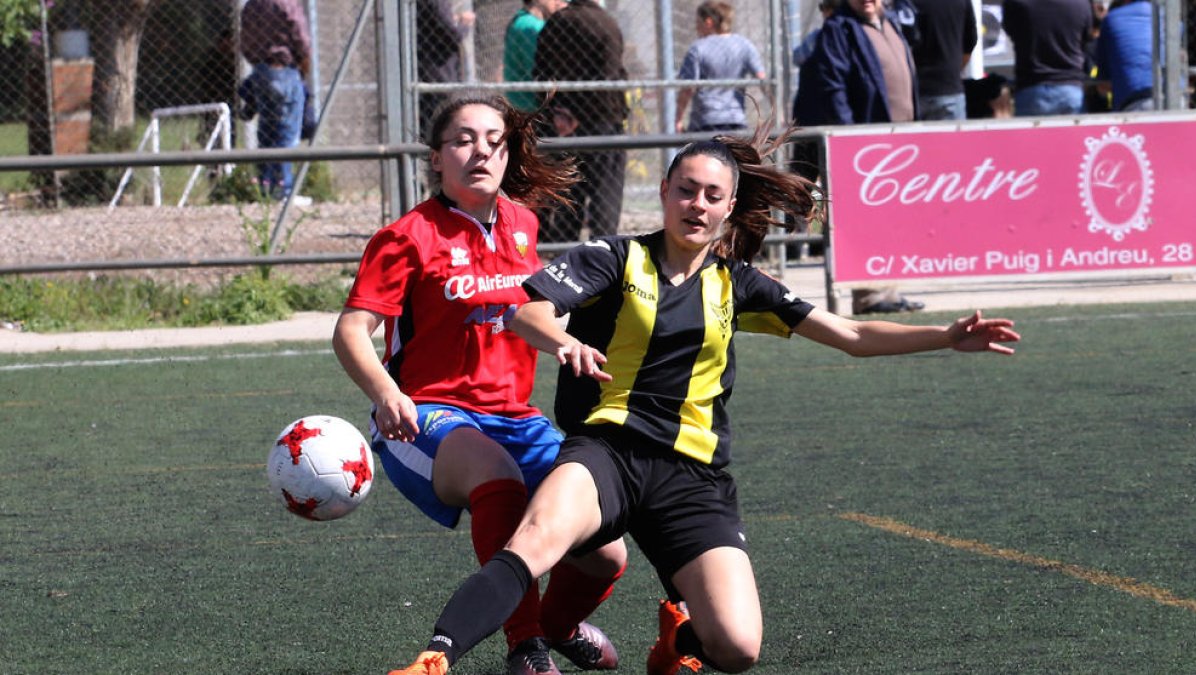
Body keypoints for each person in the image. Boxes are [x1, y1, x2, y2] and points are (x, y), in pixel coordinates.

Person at [387, 127, 1021, 675]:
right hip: (606, 451)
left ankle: (678, 641)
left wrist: (945, 336)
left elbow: (851, 335)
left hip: (691, 477)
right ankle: (436, 656)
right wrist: (563, 344)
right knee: (534, 540)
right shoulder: (613, 258)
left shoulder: (740, 284)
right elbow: (529, 312)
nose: (697, 204)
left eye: (712, 196)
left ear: (729, 208)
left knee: (739, 646)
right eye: (686, 190)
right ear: (663, 194)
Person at [332, 94, 626, 675]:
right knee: (500, 479)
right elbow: (350, 330)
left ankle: (557, 627)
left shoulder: (523, 224)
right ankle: (526, 649)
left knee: (605, 550)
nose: (480, 152)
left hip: (516, 415)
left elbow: (531, 314)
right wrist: (386, 395)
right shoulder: (408, 235)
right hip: (426, 417)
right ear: (437, 158)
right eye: (463, 140)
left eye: (494, 140)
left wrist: (564, 341)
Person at [793, 0, 924, 314]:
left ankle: (890, 291)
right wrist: (850, 136)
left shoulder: (890, 23)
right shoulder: (839, 29)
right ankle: (869, 295)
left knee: (893, 220)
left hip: (899, 143)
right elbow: (832, 86)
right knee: (870, 220)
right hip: (866, 147)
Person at [532, 0, 629, 243]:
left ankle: (567, 255)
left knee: (569, 191)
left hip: (563, 125)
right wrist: (582, 115)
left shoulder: (555, 23)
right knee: (605, 194)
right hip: (602, 123)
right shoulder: (606, 24)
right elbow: (608, 80)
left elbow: (540, 74)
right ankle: (603, 253)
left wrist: (561, 112)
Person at [238, 0, 311, 204]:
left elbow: (245, 40)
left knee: (267, 132)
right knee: (286, 133)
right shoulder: (286, 3)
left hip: (261, 70)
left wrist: (256, 60)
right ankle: (284, 190)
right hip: (285, 68)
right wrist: (304, 56)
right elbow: (299, 32)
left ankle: (266, 187)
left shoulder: (252, 5)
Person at [674, 1, 766, 134]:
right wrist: (777, 111)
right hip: (736, 121)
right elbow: (762, 78)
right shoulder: (744, 45)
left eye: (698, 22)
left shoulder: (698, 48)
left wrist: (678, 119)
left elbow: (687, 89)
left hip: (705, 122)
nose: (696, 27)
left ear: (709, 22)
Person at [1001, 0, 1093, 116]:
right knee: (1074, 134)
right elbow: (1086, 39)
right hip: (1071, 87)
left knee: (1033, 134)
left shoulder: (1016, 3)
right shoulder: (1081, 3)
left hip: (1031, 89)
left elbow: (1010, 31)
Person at [911, 0, 978, 120]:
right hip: (949, 88)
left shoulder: (906, 3)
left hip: (915, 91)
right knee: (953, 139)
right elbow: (969, 43)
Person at [416, 0, 476, 133]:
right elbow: (452, 34)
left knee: (431, 124)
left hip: (428, 70)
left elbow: (439, 24)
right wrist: (464, 24)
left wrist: (454, 20)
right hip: (439, 73)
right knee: (442, 124)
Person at [503, 0, 568, 113]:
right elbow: (539, 68)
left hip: (520, 102)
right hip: (531, 106)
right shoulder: (532, 27)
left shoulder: (521, 18)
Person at [1094, 0, 1155, 112]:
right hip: (1175, 96)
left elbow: (1103, 83)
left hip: (1133, 102)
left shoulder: (1111, 19)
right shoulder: (1167, 18)